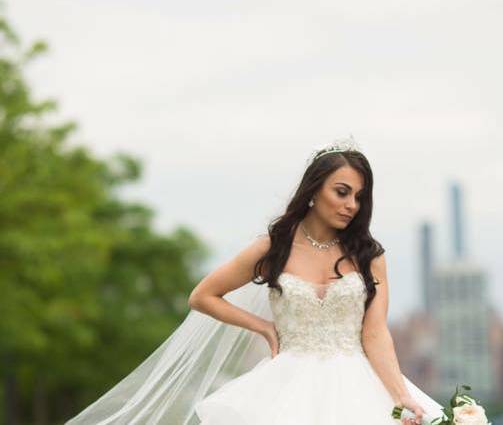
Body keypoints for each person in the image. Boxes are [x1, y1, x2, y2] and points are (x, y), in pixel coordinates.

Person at [65, 137, 444, 425]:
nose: (351, 206)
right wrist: (263, 327)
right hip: (288, 386)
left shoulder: (369, 255)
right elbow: (203, 296)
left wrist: (398, 396)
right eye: (342, 192)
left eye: (359, 198)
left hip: (359, 385)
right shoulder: (272, 247)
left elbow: (375, 334)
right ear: (314, 191)